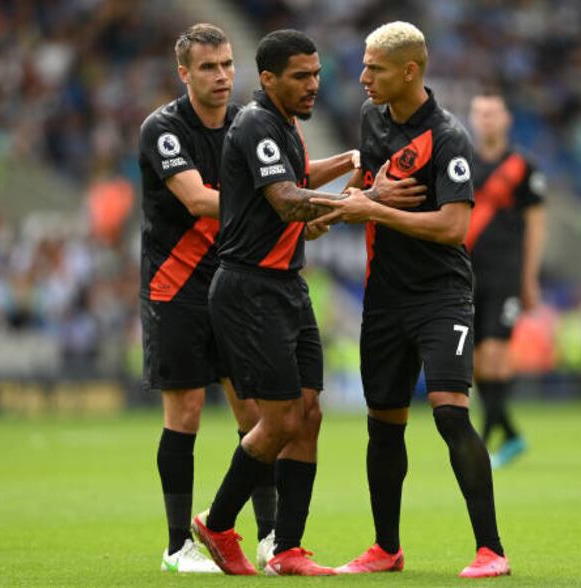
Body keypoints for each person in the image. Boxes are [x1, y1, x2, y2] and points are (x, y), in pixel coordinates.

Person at [190, 29, 424, 577]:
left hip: (287, 285)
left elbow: (298, 185)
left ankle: (288, 549)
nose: (314, 85)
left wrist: (350, 162)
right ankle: (218, 523)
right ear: (268, 79)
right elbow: (289, 201)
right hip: (249, 289)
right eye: (301, 76)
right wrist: (365, 198)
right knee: (281, 420)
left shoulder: (286, 126)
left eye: (317, 74)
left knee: (310, 416)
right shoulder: (254, 124)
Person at [309, 21, 510, 578]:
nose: (363, 76)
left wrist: (373, 210)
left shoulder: (448, 137)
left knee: (449, 414)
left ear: (409, 71)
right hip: (385, 298)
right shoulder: (372, 120)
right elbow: (369, 189)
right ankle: (387, 549)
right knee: (384, 423)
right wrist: (359, 199)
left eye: (374, 67)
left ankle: (491, 549)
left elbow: (452, 226)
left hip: (441, 296)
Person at [138, 23, 273, 574]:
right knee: (186, 412)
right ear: (184, 74)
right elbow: (197, 200)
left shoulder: (246, 123)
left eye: (227, 65)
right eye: (209, 68)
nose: (221, 77)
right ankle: (177, 547)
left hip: (234, 285)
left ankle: (269, 539)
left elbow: (284, 178)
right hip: (176, 285)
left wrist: (341, 173)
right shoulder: (163, 129)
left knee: (255, 414)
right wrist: (280, 201)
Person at [466, 89, 546, 468]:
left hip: (506, 274)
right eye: (481, 113)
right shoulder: (461, 163)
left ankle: (484, 441)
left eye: (493, 113)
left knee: (498, 352)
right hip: (467, 274)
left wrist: (529, 277)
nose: (487, 120)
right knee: (480, 361)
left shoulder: (523, 167)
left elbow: (535, 223)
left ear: (507, 119)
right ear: (472, 119)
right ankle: (510, 435)